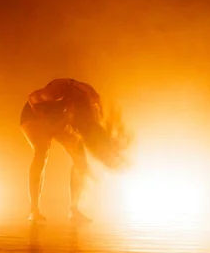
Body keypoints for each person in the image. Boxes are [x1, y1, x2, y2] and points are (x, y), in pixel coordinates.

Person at [20, 79, 131, 224]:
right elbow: (32, 98)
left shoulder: (92, 101)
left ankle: (74, 210)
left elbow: (91, 126)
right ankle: (34, 210)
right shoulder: (57, 91)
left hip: (61, 119)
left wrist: (67, 119)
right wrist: (47, 121)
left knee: (80, 157)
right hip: (35, 117)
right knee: (41, 151)